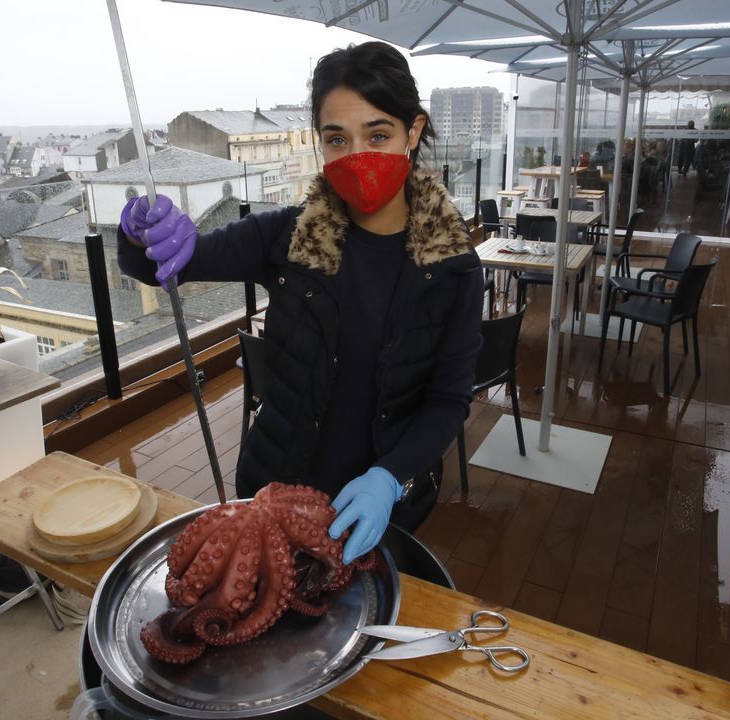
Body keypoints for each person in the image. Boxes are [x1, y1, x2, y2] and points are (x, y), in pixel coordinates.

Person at [117, 41, 484, 565]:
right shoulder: (287, 237)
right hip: (275, 492)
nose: (357, 156)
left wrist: (389, 476)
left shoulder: (453, 268)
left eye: (378, 134)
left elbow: (449, 399)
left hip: (384, 511)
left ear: (414, 131)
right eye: (337, 139)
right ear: (320, 143)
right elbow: (169, 264)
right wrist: (140, 233)